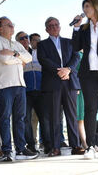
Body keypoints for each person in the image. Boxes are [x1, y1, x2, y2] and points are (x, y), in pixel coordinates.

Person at [0, 16, 38, 162]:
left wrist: (15, 54)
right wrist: (19, 60)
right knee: (5, 118)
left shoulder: (16, 44)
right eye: (8, 25)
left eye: (12, 25)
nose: (12, 27)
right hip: (5, 85)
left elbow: (28, 58)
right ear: (0, 28)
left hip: (20, 85)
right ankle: (6, 151)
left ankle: (21, 149)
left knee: (20, 119)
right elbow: (4, 60)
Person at [37, 16, 84, 157]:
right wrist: (60, 71)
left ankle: (75, 145)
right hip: (53, 83)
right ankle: (55, 147)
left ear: (60, 26)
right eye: (50, 25)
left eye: (56, 24)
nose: (54, 27)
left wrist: (68, 69)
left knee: (72, 115)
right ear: (46, 29)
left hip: (70, 82)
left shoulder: (69, 42)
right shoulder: (42, 45)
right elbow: (44, 60)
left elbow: (76, 57)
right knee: (54, 117)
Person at [72, 0, 98, 159]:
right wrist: (76, 28)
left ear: (96, 7)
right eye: (84, 7)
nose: (85, 10)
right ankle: (90, 146)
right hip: (88, 74)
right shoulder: (84, 29)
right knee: (90, 109)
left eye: (87, 6)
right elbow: (76, 47)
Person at [15, 31, 52, 154]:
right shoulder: (18, 55)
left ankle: (48, 145)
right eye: (22, 38)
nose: (25, 40)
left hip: (41, 91)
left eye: (27, 38)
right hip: (25, 91)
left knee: (45, 119)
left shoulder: (38, 53)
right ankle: (31, 145)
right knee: (26, 119)